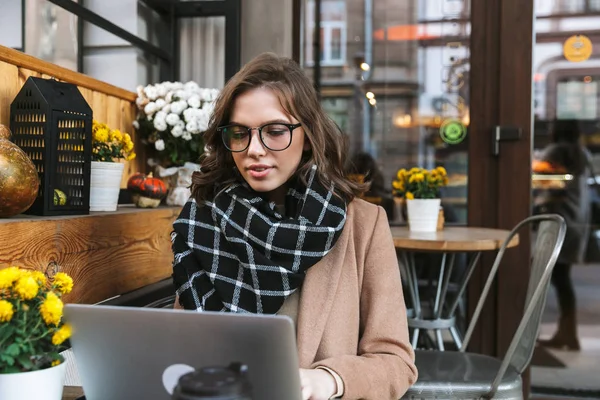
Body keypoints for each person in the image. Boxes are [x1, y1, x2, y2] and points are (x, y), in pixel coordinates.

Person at [170, 53, 417, 399]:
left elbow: (395, 361)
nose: (254, 150)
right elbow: (183, 349)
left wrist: (329, 380)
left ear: (308, 134)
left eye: (274, 131)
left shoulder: (363, 225)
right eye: (240, 133)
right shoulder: (201, 223)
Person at [535, 118, 591, 351]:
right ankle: (567, 332)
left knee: (541, 275)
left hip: (558, 220)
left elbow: (541, 176)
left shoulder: (556, 150)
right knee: (562, 278)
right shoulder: (582, 153)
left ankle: (560, 333)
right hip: (578, 220)